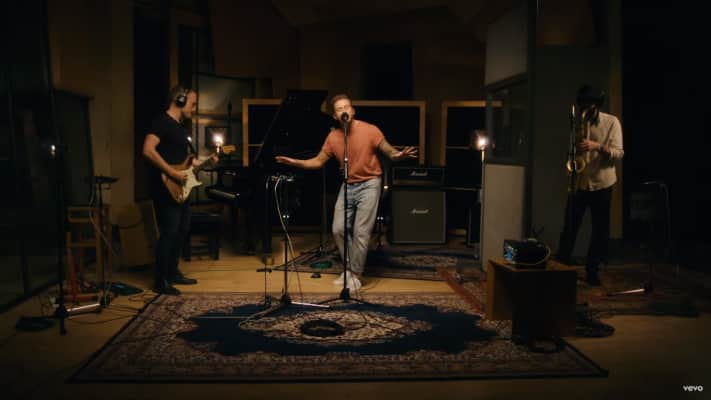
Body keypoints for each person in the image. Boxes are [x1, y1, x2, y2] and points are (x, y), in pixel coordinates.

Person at [275, 93, 418, 290]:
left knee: (361, 232)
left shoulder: (370, 130)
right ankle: (349, 268)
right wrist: (294, 162)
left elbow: (390, 152)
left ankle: (356, 274)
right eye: (339, 109)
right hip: (348, 184)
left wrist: (399, 155)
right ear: (335, 116)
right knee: (338, 229)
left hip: (370, 184)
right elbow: (317, 161)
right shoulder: (333, 137)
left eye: (347, 107)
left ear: (353, 110)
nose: (344, 111)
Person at [142, 85, 216, 295]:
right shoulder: (161, 122)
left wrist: (207, 162)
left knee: (182, 230)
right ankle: (160, 281)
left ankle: (172, 272)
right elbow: (147, 150)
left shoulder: (181, 128)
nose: (194, 108)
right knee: (169, 232)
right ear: (180, 100)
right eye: (192, 103)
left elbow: (187, 163)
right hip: (166, 187)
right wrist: (172, 173)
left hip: (181, 188)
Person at [557, 84, 624, 286]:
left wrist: (597, 146)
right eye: (582, 105)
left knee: (599, 230)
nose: (584, 109)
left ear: (597, 105)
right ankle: (561, 268)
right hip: (580, 182)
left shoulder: (611, 122)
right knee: (569, 227)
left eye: (588, 105)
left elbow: (619, 153)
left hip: (602, 183)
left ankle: (592, 270)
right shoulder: (579, 123)